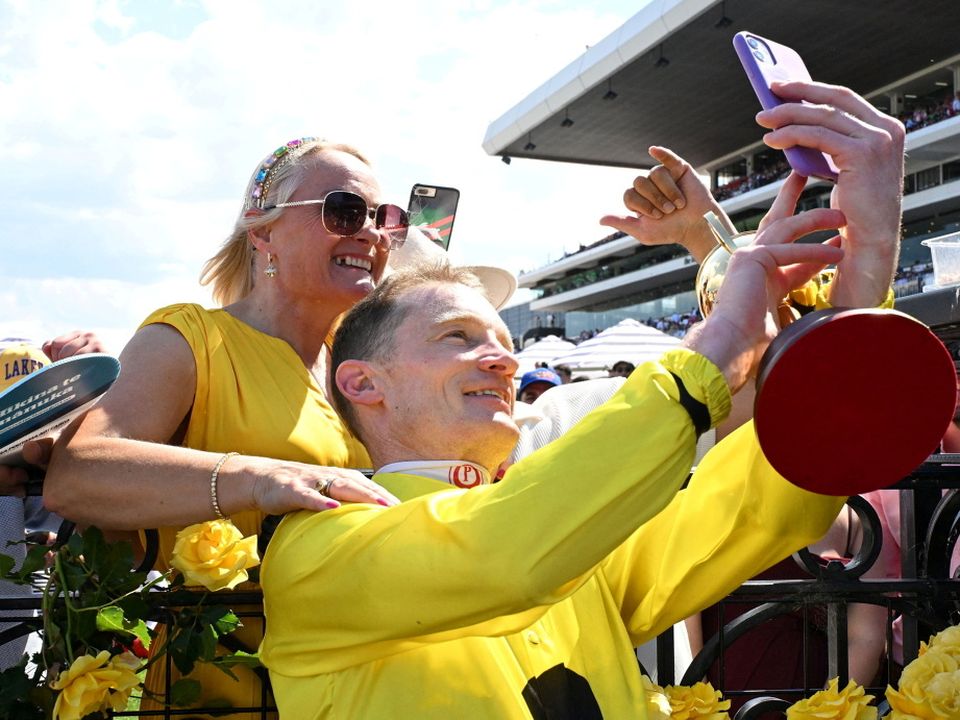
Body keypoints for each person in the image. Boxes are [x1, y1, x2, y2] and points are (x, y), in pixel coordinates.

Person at [44, 138, 403, 715]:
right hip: (222, 691)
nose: (373, 234)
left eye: (388, 220)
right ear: (261, 233)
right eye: (344, 211)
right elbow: (78, 475)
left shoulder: (361, 370)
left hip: (356, 683)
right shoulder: (188, 339)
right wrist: (258, 478)